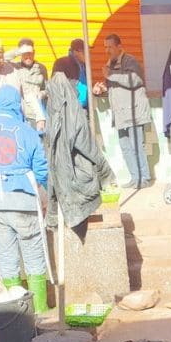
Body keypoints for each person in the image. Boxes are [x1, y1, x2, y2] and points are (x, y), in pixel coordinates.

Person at [0, 87, 50, 311]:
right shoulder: (27, 131)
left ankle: (17, 314)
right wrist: (40, 190)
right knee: (33, 252)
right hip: (24, 199)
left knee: (6, 256)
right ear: (17, 104)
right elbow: (41, 169)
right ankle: (40, 310)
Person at [44, 72, 114, 238]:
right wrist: (106, 173)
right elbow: (88, 146)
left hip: (66, 180)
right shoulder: (73, 113)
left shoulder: (54, 111)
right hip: (77, 179)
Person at [92, 34, 153, 189]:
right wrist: (101, 90)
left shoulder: (129, 60)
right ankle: (134, 178)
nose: (107, 50)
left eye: (110, 47)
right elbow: (114, 86)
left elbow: (135, 80)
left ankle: (144, 178)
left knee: (136, 146)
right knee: (125, 147)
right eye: (105, 47)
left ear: (119, 47)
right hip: (120, 114)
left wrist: (111, 75)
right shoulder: (110, 64)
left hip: (133, 112)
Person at [8, 38, 47, 132]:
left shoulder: (41, 68)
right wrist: (18, 51)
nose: (28, 56)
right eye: (25, 53)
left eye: (30, 53)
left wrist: (42, 94)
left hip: (37, 116)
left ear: (34, 52)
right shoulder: (14, 68)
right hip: (21, 114)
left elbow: (47, 89)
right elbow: (3, 58)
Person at [52, 39, 90, 108]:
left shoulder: (84, 65)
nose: (88, 54)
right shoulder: (62, 63)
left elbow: (85, 85)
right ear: (76, 52)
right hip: (70, 109)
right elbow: (56, 85)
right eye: (85, 52)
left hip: (84, 108)